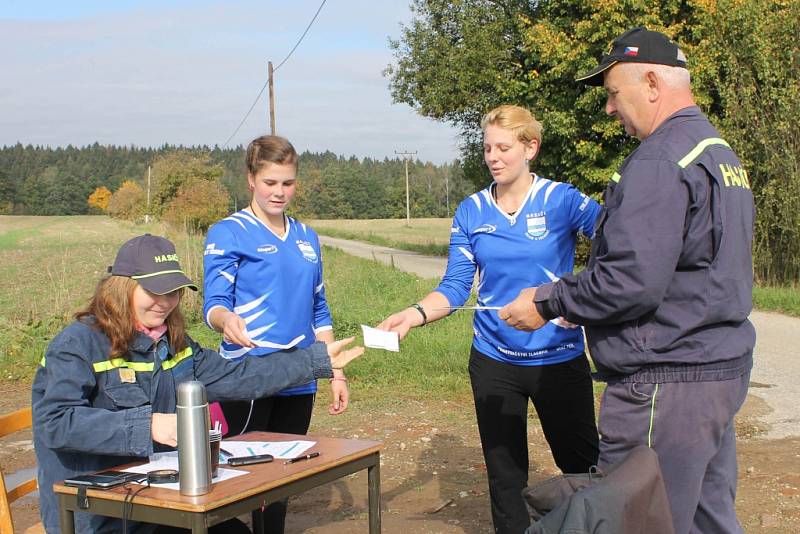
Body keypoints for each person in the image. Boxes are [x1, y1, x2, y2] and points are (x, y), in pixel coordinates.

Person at [499, 27, 755, 534]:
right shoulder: (717, 152)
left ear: (653, 82)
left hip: (666, 381)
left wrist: (548, 301)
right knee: (705, 519)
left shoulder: (660, 161)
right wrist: (585, 305)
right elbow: (686, 271)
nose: (611, 109)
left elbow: (630, 280)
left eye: (615, 93)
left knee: (638, 521)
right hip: (714, 372)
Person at [32, 234, 363, 534]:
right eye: (154, 290)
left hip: (159, 503)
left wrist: (315, 361)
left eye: (173, 291)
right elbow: (55, 423)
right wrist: (147, 425)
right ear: (122, 287)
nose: (165, 301)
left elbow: (239, 376)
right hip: (94, 516)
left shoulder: (174, 344)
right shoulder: (77, 344)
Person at [378, 105, 601, 534]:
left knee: (584, 471)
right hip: (494, 363)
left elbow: (618, 248)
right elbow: (456, 287)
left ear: (530, 147)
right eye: (487, 148)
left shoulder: (563, 199)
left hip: (558, 361)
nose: (493, 157)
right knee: (506, 480)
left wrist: (578, 301)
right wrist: (414, 314)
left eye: (504, 147)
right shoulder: (471, 211)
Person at [202, 134, 345, 533]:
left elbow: (320, 309)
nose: (279, 192)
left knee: (282, 475)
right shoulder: (228, 232)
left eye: (288, 183)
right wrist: (225, 321)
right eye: (270, 183)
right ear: (251, 179)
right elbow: (212, 303)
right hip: (246, 373)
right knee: (238, 478)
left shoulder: (306, 237)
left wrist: (335, 371)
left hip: (300, 374)